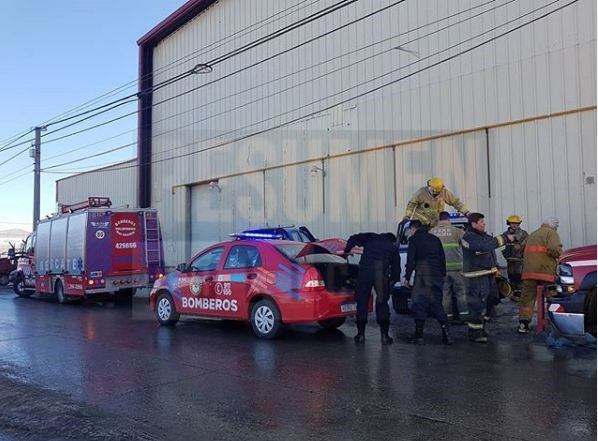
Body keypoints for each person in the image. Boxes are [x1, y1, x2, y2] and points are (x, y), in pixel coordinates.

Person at [461, 213, 513, 343]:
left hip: (488, 275)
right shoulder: (468, 238)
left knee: (491, 301)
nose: (484, 224)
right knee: (476, 304)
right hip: (475, 277)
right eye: (481, 222)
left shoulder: (483, 236)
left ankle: (482, 327)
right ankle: (475, 332)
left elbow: (490, 247)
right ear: (473, 224)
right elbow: (483, 247)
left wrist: (496, 269)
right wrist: (504, 238)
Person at [344, 232, 401, 345]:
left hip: (365, 271)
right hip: (381, 274)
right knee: (382, 303)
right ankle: (384, 336)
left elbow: (353, 237)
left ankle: (360, 335)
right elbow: (396, 269)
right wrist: (390, 283)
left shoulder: (371, 237)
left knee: (362, 302)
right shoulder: (393, 248)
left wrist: (347, 250)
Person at [403, 220, 452, 345]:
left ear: (413, 229)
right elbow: (442, 258)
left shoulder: (414, 240)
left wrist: (407, 277)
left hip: (422, 276)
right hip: (436, 275)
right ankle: (447, 335)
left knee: (420, 305)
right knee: (437, 305)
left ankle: (419, 337)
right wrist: (442, 274)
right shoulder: (435, 239)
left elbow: (410, 260)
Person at [518, 217, 563, 334]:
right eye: (557, 227)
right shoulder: (551, 233)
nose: (557, 229)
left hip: (529, 273)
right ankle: (555, 322)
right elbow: (554, 249)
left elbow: (521, 248)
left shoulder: (533, 234)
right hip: (545, 272)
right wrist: (559, 255)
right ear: (553, 226)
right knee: (552, 296)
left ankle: (523, 324)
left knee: (527, 299)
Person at [430, 211, 469, 323]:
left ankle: (447, 317)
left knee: (445, 294)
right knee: (461, 293)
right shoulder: (457, 231)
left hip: (440, 269)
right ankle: (464, 317)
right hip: (457, 268)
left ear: (439, 219)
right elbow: (468, 245)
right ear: (448, 220)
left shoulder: (432, 232)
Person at [403, 178, 469, 227]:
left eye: (437, 193)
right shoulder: (421, 193)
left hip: (435, 223)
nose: (435, 194)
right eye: (434, 192)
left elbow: (456, 203)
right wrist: (407, 216)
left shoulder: (444, 193)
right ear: (429, 187)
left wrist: (466, 212)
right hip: (421, 223)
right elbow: (411, 204)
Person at [501, 215, 528, 295]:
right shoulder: (505, 234)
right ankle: (513, 292)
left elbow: (528, 244)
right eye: (512, 223)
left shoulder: (524, 234)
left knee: (519, 276)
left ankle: (520, 294)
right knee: (511, 276)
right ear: (509, 223)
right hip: (510, 260)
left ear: (519, 224)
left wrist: (520, 246)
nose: (514, 225)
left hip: (519, 260)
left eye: (516, 223)